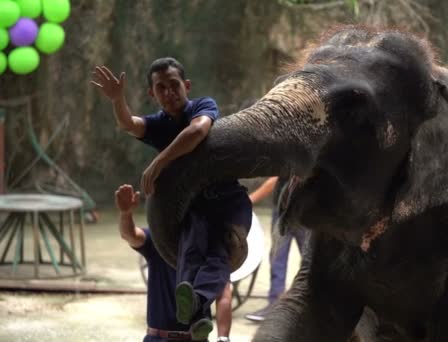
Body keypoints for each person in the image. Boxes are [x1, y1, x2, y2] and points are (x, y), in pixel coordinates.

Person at [92, 57, 251, 341]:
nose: (169, 92)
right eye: (160, 88)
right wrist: (117, 99)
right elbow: (129, 123)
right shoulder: (158, 124)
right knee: (188, 252)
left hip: (227, 204)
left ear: (186, 85)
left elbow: (198, 131)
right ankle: (198, 314)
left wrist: (159, 162)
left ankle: (200, 317)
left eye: (174, 85)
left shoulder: (203, 106)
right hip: (195, 206)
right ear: (152, 94)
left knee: (218, 255)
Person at [115, 184, 234, 342]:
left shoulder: (211, 247)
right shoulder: (160, 241)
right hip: (158, 337)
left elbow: (224, 294)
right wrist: (125, 213)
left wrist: (223, 338)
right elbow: (130, 235)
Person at [244, 176, 308, 322]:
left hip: (303, 212)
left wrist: (248, 200)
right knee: (277, 257)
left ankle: (312, 306)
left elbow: (273, 180)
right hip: (282, 210)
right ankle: (275, 304)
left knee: (309, 261)